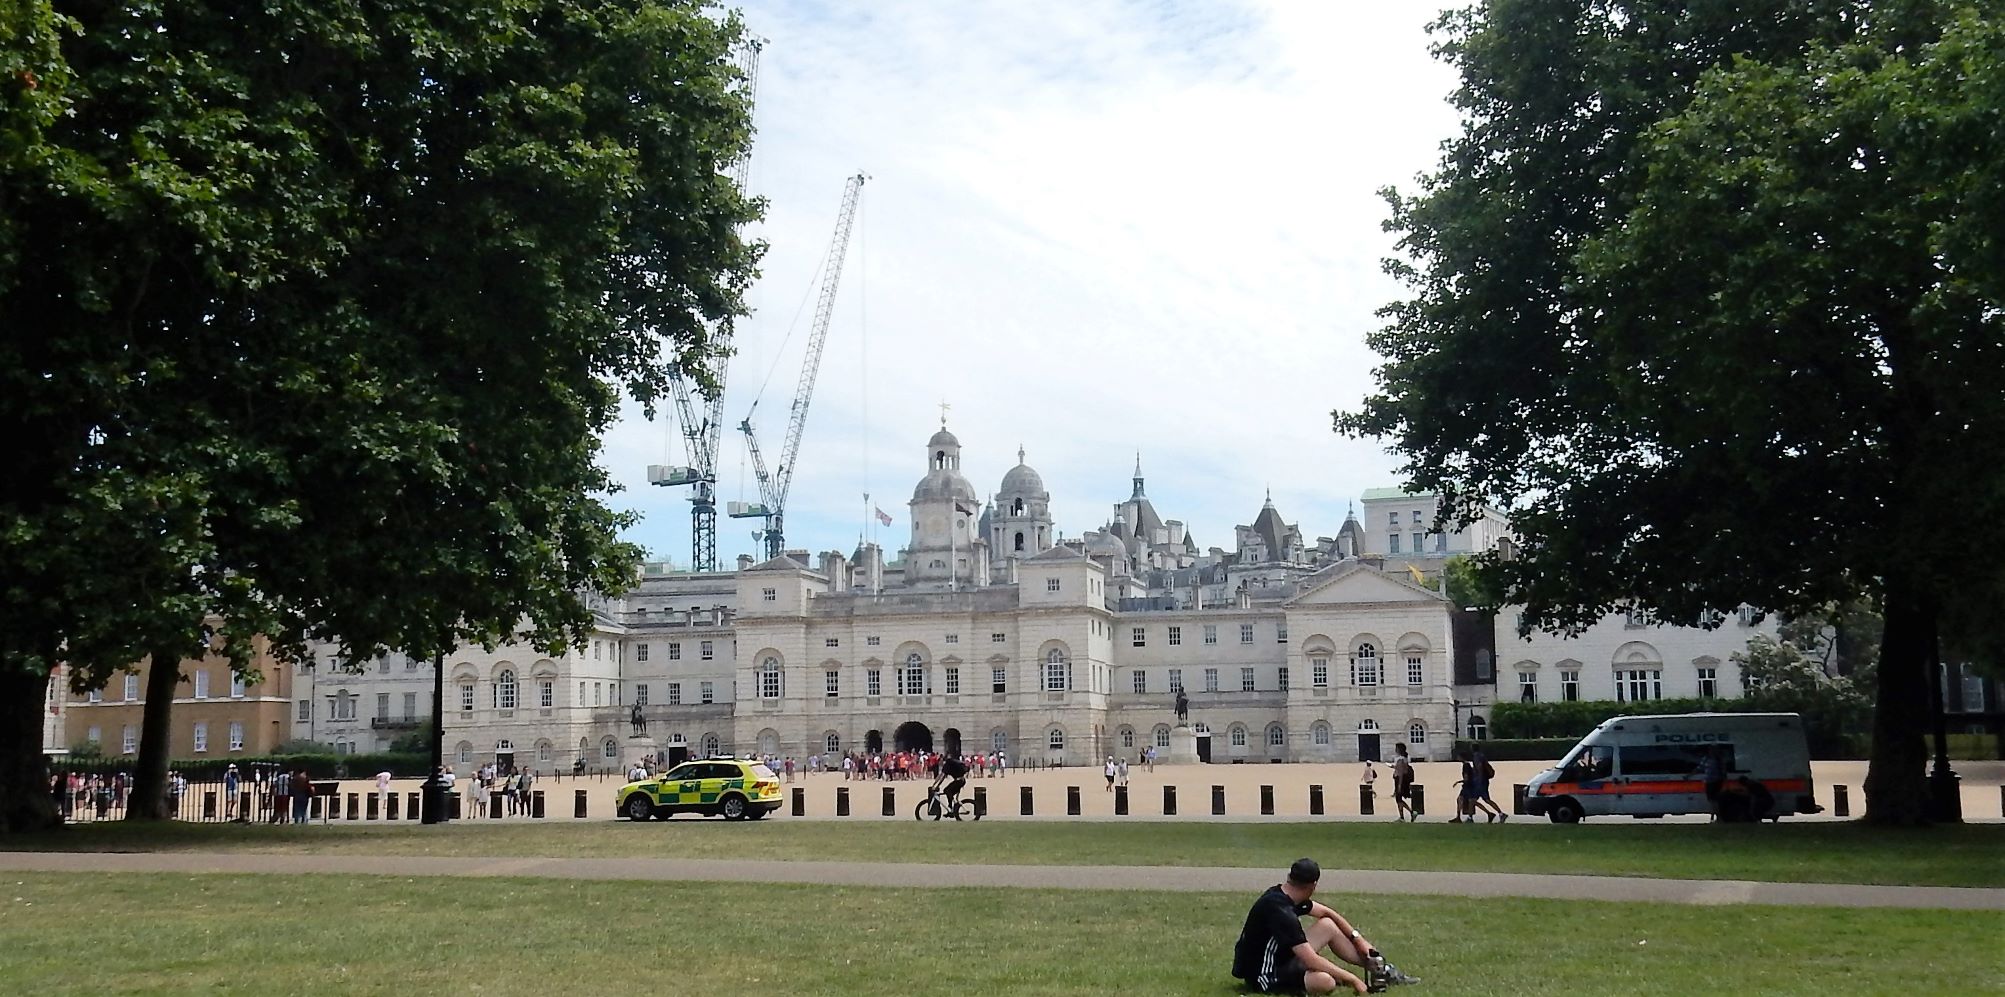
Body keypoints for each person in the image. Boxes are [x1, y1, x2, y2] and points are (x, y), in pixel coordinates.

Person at [1231, 858, 1418, 995]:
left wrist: (1358, 939)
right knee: (1325, 982)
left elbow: (1328, 913)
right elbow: (1311, 960)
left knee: (1327, 925)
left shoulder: (1284, 894)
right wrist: (1353, 980)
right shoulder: (1281, 912)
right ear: (1313, 886)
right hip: (1263, 974)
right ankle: (1331, 978)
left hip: (1283, 957)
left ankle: (1380, 970)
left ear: (1290, 877)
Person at [1389, 744, 1414, 823]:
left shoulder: (1400, 759)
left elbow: (1400, 773)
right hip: (1401, 780)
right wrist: (1393, 766)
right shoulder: (1404, 759)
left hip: (1400, 781)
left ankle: (1411, 812)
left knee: (1399, 799)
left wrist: (1399, 785)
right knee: (1399, 799)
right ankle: (1402, 817)